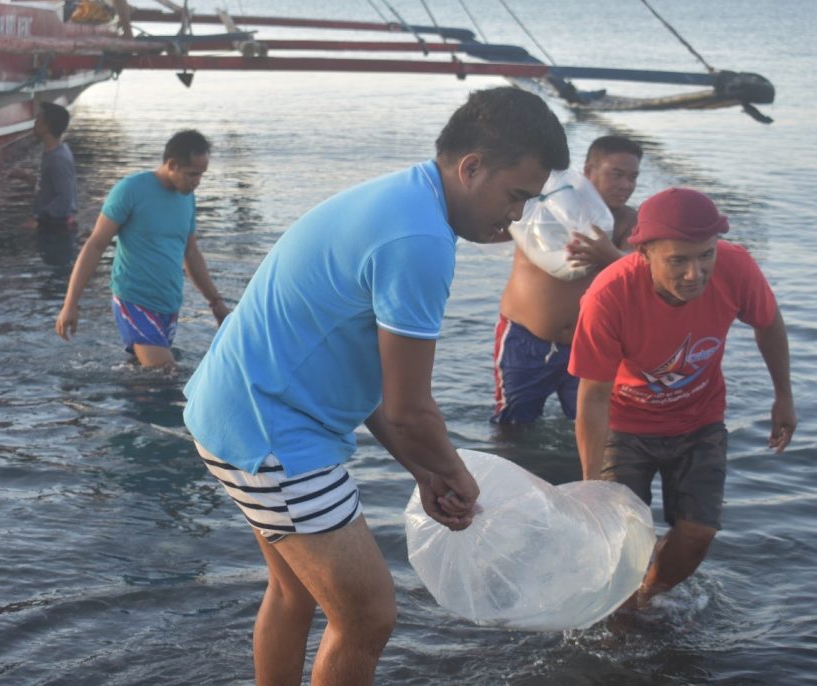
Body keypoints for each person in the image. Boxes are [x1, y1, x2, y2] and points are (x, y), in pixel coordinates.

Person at [182, 88, 569, 685]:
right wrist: (456, 474)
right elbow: (411, 411)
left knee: (293, 592)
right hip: (273, 435)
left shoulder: (405, 200)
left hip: (234, 408)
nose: (517, 217)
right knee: (367, 617)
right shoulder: (419, 243)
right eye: (515, 195)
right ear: (471, 168)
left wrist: (425, 470)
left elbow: (377, 387)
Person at [569, 187, 796, 609]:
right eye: (678, 260)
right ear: (644, 254)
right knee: (621, 538)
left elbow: (768, 321)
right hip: (624, 424)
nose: (696, 273)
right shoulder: (608, 296)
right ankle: (616, 613)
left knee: (698, 534)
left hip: (700, 419)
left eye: (705, 255)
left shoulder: (736, 266)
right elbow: (593, 396)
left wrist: (784, 395)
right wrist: (590, 487)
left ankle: (644, 598)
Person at [493, 135, 642, 423]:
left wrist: (609, 254)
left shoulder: (629, 222)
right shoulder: (544, 208)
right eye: (616, 174)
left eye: (633, 177)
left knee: (596, 427)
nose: (626, 185)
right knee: (512, 427)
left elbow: (649, 270)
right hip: (525, 339)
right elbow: (488, 228)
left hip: (588, 347)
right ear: (588, 171)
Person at [55, 129, 229, 369]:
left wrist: (215, 301)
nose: (197, 182)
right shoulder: (130, 190)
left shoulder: (187, 197)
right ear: (172, 164)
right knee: (165, 372)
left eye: (201, 175)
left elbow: (190, 252)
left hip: (168, 303)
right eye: (192, 174)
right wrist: (71, 303)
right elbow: (95, 245)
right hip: (133, 299)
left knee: (145, 379)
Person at [13, 101, 78, 230]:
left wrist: (38, 220)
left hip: (56, 228)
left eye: (38, 120)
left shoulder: (58, 159)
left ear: (47, 127)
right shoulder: (55, 151)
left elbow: (65, 198)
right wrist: (25, 176)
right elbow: (48, 187)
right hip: (53, 223)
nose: (34, 123)